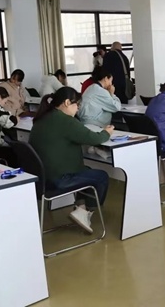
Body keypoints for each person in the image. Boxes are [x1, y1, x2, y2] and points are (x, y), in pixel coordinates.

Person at [30, 87, 113, 233]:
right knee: (101, 177)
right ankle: (86, 212)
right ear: (67, 102)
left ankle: (81, 208)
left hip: (41, 181)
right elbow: (94, 138)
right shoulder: (67, 121)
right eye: (77, 105)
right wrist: (106, 132)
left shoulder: (41, 118)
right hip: (59, 179)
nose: (78, 109)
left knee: (86, 171)